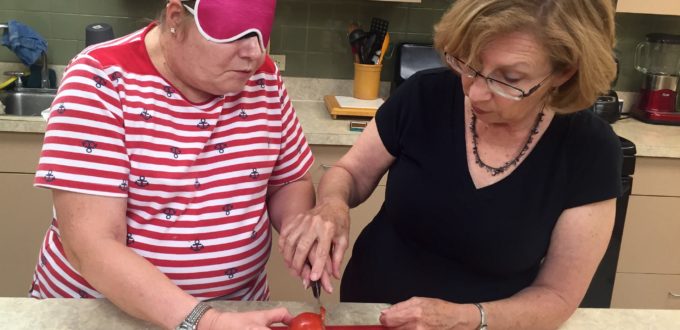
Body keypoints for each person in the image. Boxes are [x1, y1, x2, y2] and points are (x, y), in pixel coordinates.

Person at [279, 0, 622, 329]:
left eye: (508, 79)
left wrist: (465, 319)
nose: (474, 94)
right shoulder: (424, 96)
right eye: (469, 65)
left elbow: (557, 296)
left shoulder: (588, 150)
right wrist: (331, 205)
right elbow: (349, 173)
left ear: (564, 72)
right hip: (370, 312)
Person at [30, 0, 316, 328]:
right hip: (105, 315)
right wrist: (204, 322)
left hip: (235, 313)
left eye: (261, 35)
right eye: (234, 34)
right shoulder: (101, 78)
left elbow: (288, 180)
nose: (254, 53)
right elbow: (92, 245)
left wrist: (300, 231)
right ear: (176, 18)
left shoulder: (262, 79)